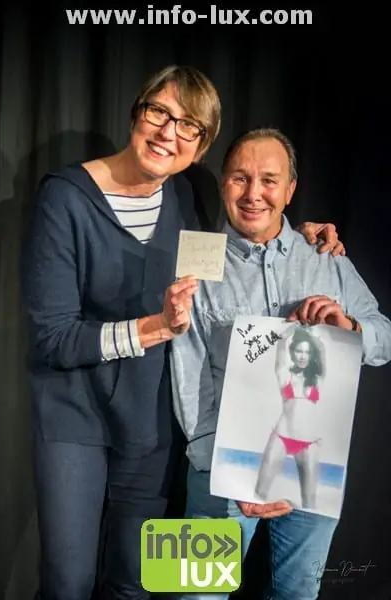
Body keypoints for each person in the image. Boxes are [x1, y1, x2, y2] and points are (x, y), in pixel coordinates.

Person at [20, 64, 346, 600]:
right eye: (159, 113)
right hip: (74, 419)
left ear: (201, 147)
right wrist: (153, 328)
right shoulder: (64, 197)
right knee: (68, 583)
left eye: (189, 126)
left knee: (140, 581)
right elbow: (51, 339)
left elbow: (244, 242)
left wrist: (301, 237)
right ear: (137, 112)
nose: (169, 133)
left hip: (155, 429)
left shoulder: (188, 195)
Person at [170, 126, 391, 600]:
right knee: (190, 594)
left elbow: (385, 338)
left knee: (299, 596)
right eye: (240, 178)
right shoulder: (195, 261)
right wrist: (227, 471)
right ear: (223, 185)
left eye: (269, 180)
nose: (254, 193)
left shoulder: (327, 258)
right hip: (217, 473)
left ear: (290, 190)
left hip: (315, 471)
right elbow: (187, 374)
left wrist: (350, 328)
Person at [255, 324, 326, 509]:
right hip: (282, 436)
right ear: (292, 353)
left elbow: (321, 351)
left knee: (309, 502)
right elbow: (280, 355)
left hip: (309, 443)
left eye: (307, 352)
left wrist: (310, 331)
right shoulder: (285, 376)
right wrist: (288, 332)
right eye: (299, 351)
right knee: (259, 494)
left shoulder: (318, 379)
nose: (303, 356)